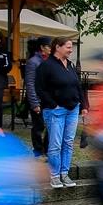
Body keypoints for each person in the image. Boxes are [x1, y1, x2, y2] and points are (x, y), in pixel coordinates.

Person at [36, 37, 87, 189]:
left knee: (68, 143)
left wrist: (83, 105)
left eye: (71, 47)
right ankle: (54, 175)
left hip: (73, 109)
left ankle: (64, 173)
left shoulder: (69, 65)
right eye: (68, 47)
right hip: (55, 111)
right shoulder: (46, 66)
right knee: (55, 145)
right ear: (57, 47)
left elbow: (78, 86)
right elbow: (39, 88)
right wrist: (53, 104)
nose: (71, 50)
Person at [24, 37, 51, 157]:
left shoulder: (50, 60)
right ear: (42, 48)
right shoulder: (33, 61)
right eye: (49, 46)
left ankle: (47, 149)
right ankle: (38, 150)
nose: (52, 49)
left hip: (49, 100)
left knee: (51, 126)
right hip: (38, 100)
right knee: (38, 126)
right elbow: (29, 83)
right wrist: (34, 103)